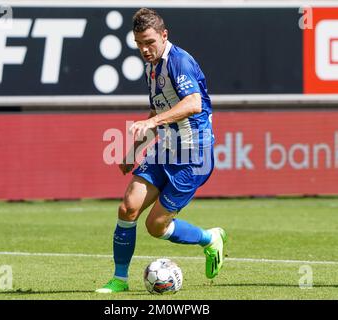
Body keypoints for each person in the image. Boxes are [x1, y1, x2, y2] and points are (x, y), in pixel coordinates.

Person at [95, 8, 227, 293]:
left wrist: (152, 121)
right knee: (127, 208)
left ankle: (209, 239)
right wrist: (133, 152)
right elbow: (158, 109)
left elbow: (193, 103)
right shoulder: (152, 66)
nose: (144, 49)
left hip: (193, 157)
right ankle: (119, 279)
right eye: (139, 43)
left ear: (164, 35)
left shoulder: (179, 61)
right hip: (165, 150)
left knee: (155, 226)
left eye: (150, 42)